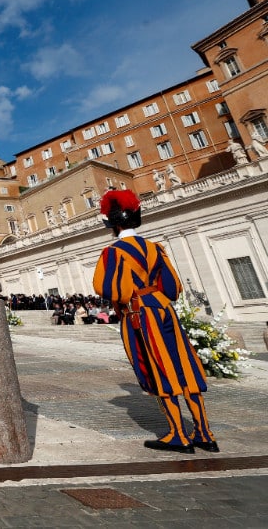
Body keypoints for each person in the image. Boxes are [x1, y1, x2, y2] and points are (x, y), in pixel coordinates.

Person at [93, 189, 217, 454]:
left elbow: (111, 290)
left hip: (140, 314)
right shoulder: (155, 248)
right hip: (164, 308)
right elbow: (172, 287)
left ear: (114, 225)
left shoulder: (113, 252)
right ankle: (204, 432)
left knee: (159, 367)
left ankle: (177, 435)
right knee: (184, 365)